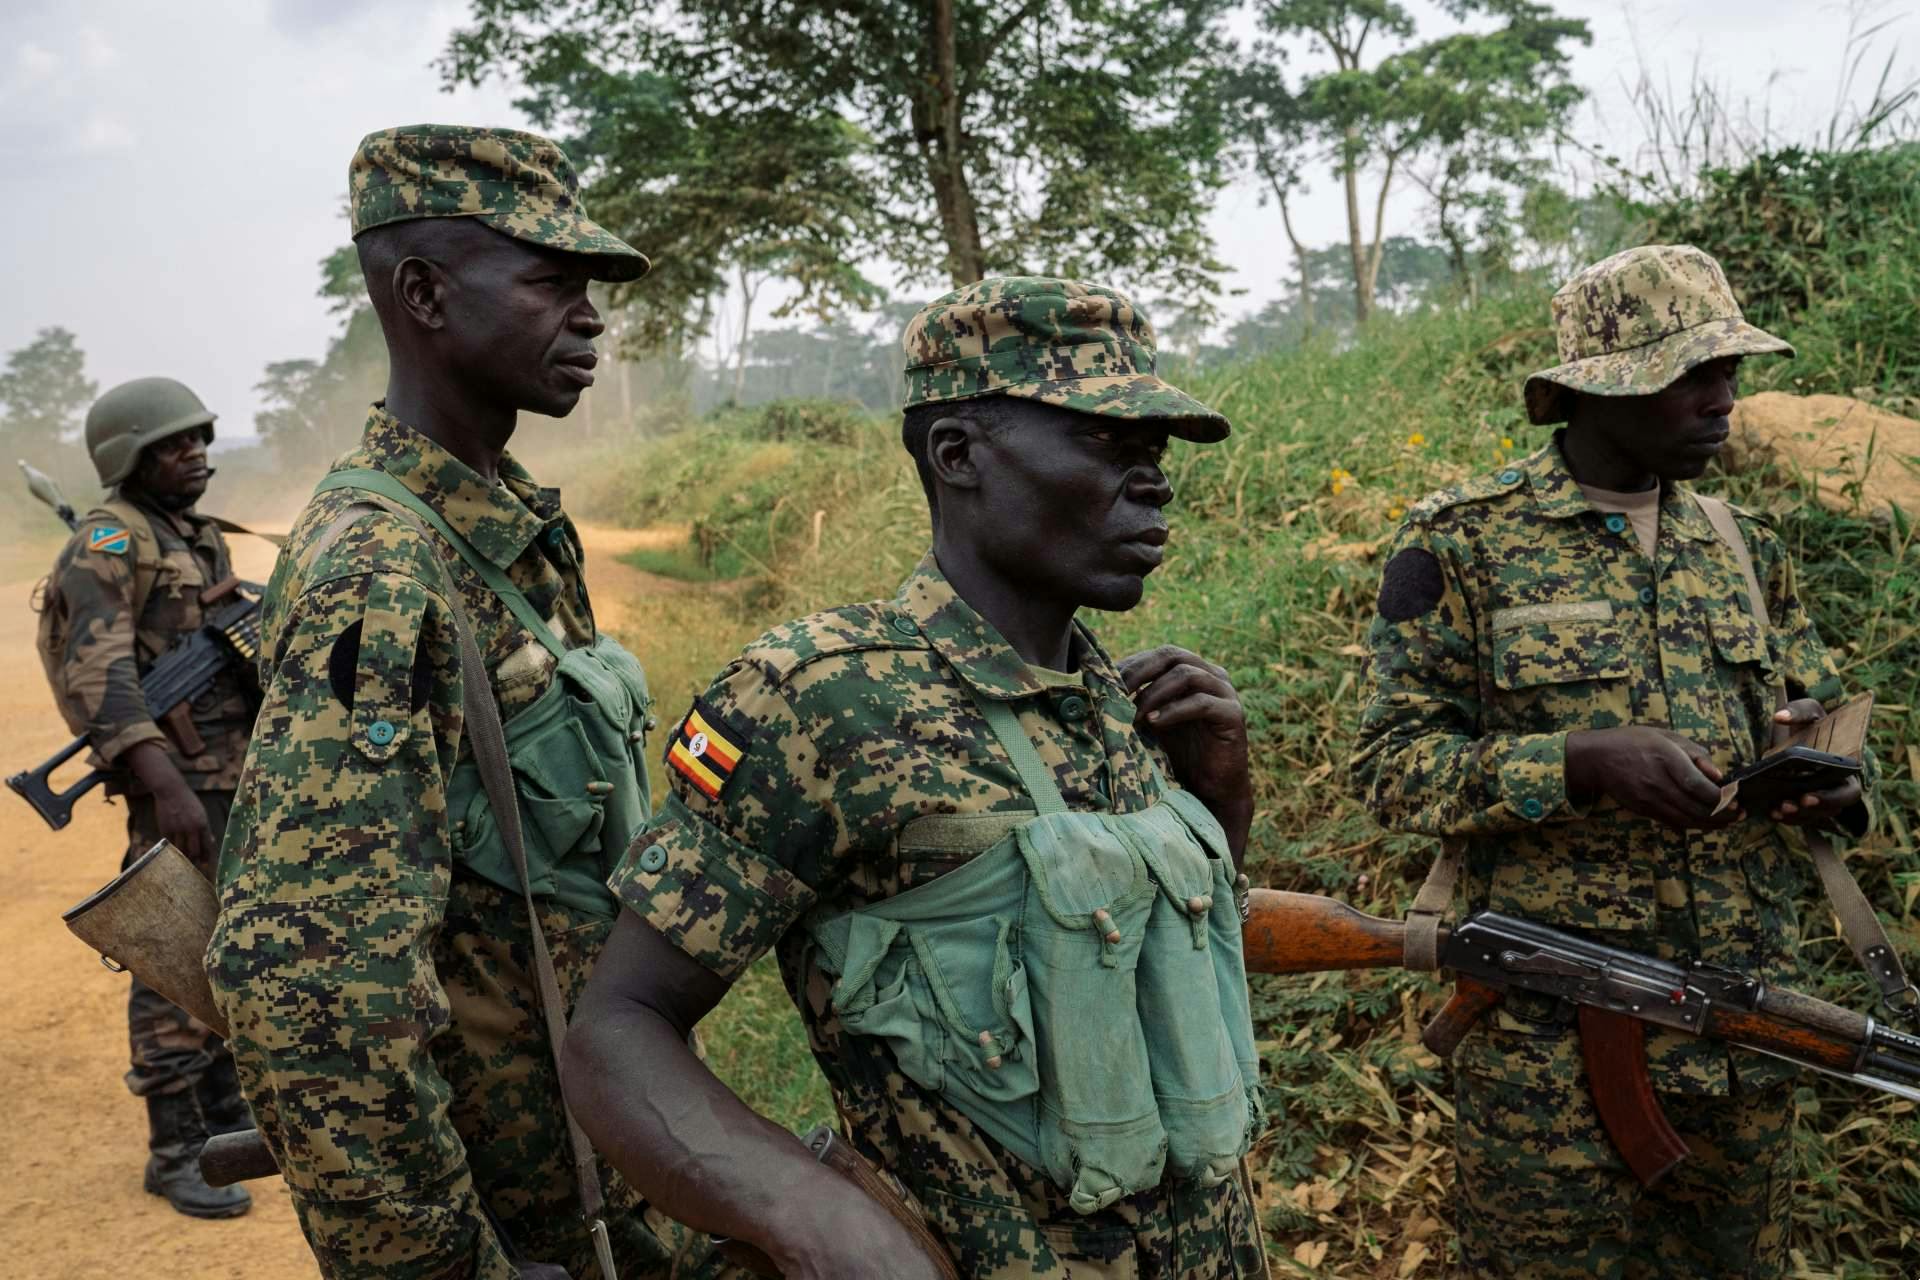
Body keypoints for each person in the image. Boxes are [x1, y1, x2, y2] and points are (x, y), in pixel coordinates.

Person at [564, 277, 1272, 1280]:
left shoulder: (1129, 700)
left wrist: (1220, 810)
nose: (1154, 480)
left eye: (1156, 452)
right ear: (957, 453)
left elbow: (1145, 974)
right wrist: (804, 1211)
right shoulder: (823, 698)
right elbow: (618, 1027)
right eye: (1109, 443)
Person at [207, 124, 706, 1279]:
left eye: (587, 289)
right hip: (530, 1218)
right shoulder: (383, 574)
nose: (588, 317)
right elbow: (313, 988)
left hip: (610, 1180)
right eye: (549, 283)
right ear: (424, 293)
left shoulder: (506, 533)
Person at [1350, 243, 1880, 1278]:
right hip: (1550, 1048)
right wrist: (1578, 761)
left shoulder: (1744, 545)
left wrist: (1822, 774)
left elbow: (1815, 713)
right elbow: (1389, 765)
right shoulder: (1463, 543)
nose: (1725, 396)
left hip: (1740, 1028)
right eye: (1695, 372)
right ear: (1598, 386)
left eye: (1732, 368)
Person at [36, 376, 262, 1218]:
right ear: (129, 459)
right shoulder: (107, 540)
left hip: (236, 773)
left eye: (199, 438)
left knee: (237, 941)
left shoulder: (194, 535)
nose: (195, 453)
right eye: (173, 444)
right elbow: (98, 669)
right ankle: (174, 1152)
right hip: (182, 784)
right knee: (176, 950)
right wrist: (159, 777)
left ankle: (230, 1119)